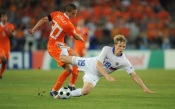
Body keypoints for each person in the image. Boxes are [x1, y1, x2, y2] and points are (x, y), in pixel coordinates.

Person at [55, 34, 154, 98]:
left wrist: (144, 88)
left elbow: (134, 75)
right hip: (89, 63)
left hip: (95, 75)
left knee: (85, 91)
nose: (122, 48)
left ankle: (64, 94)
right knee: (63, 59)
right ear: (115, 45)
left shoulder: (124, 61)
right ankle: (64, 47)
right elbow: (98, 65)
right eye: (120, 46)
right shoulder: (106, 49)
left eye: (124, 46)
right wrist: (107, 76)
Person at [28, 4, 83, 98]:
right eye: (73, 13)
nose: (75, 16)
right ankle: (54, 90)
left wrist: (33, 30)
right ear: (68, 12)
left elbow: (43, 19)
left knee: (77, 58)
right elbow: (75, 36)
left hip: (60, 45)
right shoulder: (69, 25)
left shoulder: (57, 14)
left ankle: (71, 85)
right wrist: (81, 38)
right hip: (54, 47)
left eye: (76, 13)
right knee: (68, 69)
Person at [0, 11, 15, 79]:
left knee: (4, 62)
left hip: (6, 46)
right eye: (3, 16)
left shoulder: (10, 26)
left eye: (5, 16)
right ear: (1, 18)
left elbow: (13, 36)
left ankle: (0, 74)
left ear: (7, 17)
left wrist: (10, 33)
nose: (4, 18)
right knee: (3, 59)